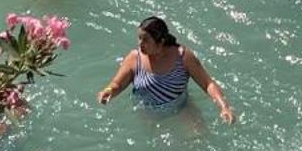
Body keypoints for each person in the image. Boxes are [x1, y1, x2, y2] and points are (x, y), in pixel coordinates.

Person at [98, 15, 235, 122]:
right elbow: (117, 84)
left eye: (145, 40)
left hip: (181, 109)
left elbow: (207, 83)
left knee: (199, 139)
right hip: (146, 113)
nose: (140, 44)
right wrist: (108, 91)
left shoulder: (182, 57)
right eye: (139, 38)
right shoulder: (134, 58)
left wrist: (224, 107)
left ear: (161, 41)